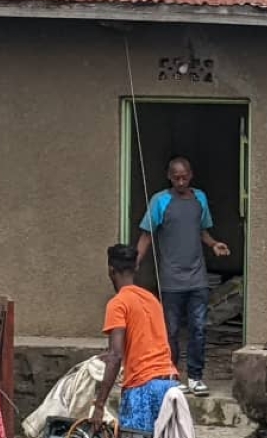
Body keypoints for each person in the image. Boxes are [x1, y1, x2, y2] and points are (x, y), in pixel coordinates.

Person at [136, 157, 230, 397]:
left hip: (197, 277)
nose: (180, 181)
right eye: (176, 177)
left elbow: (201, 231)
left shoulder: (200, 198)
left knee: (199, 328)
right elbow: (147, 234)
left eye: (184, 176)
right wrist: (134, 262)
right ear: (169, 176)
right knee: (171, 330)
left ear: (191, 175)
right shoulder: (160, 201)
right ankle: (172, 374)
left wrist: (214, 244)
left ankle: (196, 377)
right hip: (171, 279)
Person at [91, 244, 179, 437]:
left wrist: (99, 405)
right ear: (135, 268)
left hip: (142, 389)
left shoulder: (118, 303)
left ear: (110, 270)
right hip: (169, 385)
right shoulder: (151, 300)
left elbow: (115, 355)